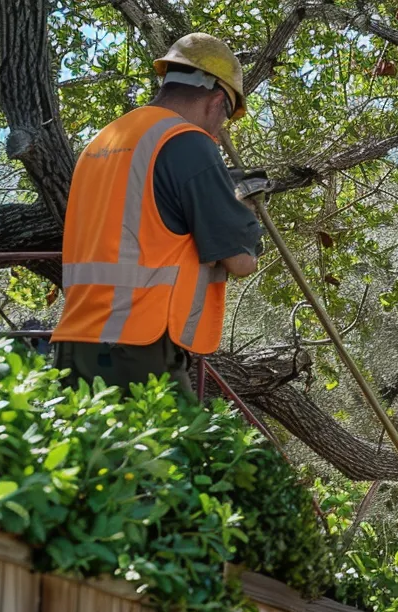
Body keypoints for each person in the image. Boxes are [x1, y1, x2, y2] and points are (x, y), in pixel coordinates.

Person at [51, 33, 263, 393]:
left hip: (75, 343)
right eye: (226, 114)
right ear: (216, 102)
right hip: (137, 348)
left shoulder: (105, 141)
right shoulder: (188, 142)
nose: (221, 128)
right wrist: (241, 203)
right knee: (181, 449)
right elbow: (240, 262)